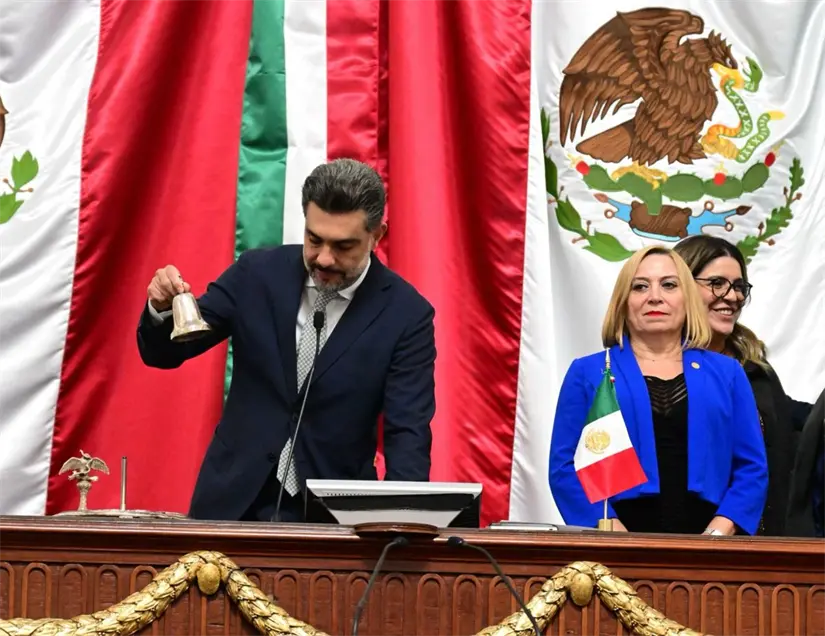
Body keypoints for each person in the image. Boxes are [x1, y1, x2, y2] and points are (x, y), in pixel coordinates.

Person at [137, 158, 436, 522]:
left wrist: (400, 527)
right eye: (315, 240)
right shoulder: (256, 274)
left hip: (333, 519)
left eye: (344, 246)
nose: (324, 259)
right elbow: (166, 353)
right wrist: (161, 308)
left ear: (377, 235)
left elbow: (407, 433)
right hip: (232, 505)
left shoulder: (406, 314)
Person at [549, 245, 768, 535]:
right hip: (615, 541)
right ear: (623, 302)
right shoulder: (588, 372)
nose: (655, 296)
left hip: (712, 543)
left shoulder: (728, 373)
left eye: (669, 285)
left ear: (687, 299)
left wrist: (719, 533)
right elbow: (563, 468)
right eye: (640, 286)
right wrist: (608, 529)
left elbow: (752, 468)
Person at [673, 235, 816, 536]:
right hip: (685, 544)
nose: (733, 296)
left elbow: (786, 421)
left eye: (739, 286)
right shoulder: (657, 372)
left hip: (766, 550)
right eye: (717, 283)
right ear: (680, 287)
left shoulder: (755, 369)